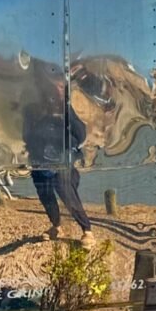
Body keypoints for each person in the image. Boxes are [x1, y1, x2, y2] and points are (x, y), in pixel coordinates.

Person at [22, 71, 94, 243]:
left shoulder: (67, 110)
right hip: (40, 161)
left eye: (61, 87)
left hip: (62, 162)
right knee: (45, 195)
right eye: (53, 87)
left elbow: (81, 135)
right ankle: (56, 226)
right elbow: (26, 135)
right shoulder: (32, 110)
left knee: (67, 193)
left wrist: (65, 112)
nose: (57, 91)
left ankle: (87, 231)